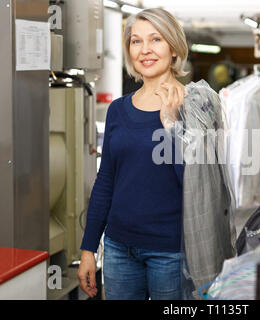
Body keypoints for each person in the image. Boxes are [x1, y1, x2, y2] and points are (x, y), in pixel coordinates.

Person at [77, 8, 189, 300]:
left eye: (156, 39)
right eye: (136, 41)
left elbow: (196, 184)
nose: (145, 50)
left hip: (170, 251)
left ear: (174, 48)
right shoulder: (118, 109)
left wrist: (171, 124)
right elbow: (106, 181)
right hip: (117, 247)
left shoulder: (197, 105)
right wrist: (89, 248)